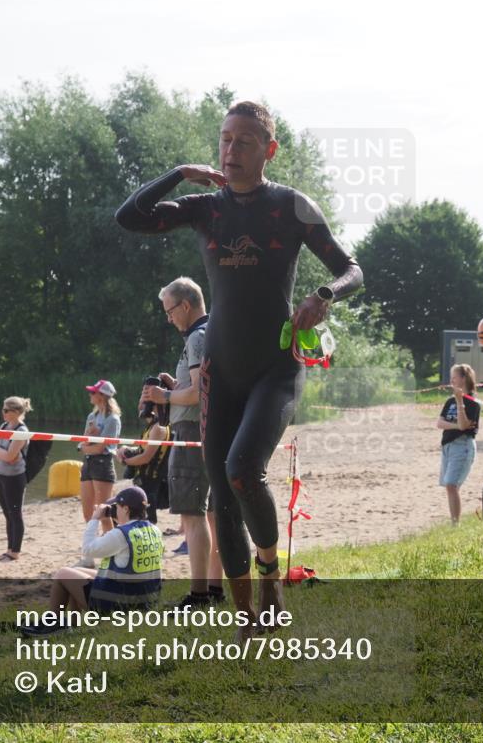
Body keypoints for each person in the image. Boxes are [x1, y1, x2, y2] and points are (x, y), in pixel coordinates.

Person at [115, 101, 363, 630]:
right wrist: (178, 174)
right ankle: (247, 615)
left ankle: (271, 578)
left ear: (269, 150)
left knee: (243, 470)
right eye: (225, 139)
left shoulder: (290, 206)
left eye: (244, 141)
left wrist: (324, 295)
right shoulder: (205, 207)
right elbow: (129, 217)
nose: (231, 150)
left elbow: (351, 269)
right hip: (220, 372)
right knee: (221, 494)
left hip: (276, 367)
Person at [140, 277, 224, 608]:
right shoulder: (215, 332)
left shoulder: (197, 337)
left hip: (192, 431)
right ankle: (214, 589)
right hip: (214, 431)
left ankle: (199, 594)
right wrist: (175, 387)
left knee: (193, 514)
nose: (169, 318)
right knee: (214, 514)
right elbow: (201, 386)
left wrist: (163, 396)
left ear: (186, 306)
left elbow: (199, 393)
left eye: (170, 311)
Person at [28, 487, 161, 633]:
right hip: (145, 600)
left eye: (117, 507)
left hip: (121, 606)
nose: (115, 511)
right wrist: (107, 521)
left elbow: (88, 550)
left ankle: (52, 624)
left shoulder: (122, 534)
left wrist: (94, 519)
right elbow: (115, 548)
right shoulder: (154, 530)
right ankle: (71, 625)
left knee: (63, 574)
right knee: (75, 573)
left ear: (126, 509)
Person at [77, 380, 122, 562]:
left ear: (102, 396)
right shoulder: (92, 416)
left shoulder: (113, 419)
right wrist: (90, 440)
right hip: (88, 464)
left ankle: (113, 553)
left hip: (103, 464)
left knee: (103, 512)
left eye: (93, 392)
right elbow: (83, 443)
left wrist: (89, 444)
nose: (90, 395)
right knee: (88, 513)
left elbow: (102, 448)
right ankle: (90, 555)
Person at [436, 364, 480, 526]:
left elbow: (464, 425)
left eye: (454, 377)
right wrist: (455, 425)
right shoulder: (449, 401)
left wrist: (460, 401)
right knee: (450, 486)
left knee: (451, 484)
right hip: (447, 446)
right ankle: (454, 521)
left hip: (463, 446)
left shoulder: (473, 403)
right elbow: (440, 423)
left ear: (463, 378)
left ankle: (455, 524)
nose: (451, 381)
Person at [0, 396, 32, 562]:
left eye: (6, 410)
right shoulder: (3, 426)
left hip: (15, 477)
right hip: (0, 475)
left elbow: (9, 456)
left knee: (15, 514)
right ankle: (9, 549)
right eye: (3, 409)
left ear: (16, 412)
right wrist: (4, 454)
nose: (3, 412)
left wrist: (2, 454)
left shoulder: (21, 431)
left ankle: (15, 552)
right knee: (7, 514)